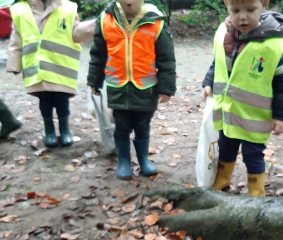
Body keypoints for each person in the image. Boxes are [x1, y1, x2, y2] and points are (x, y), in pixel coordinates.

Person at [201, 0, 283, 196]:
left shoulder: (275, 44)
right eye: (235, 11)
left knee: (253, 155)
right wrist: (208, 83)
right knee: (226, 150)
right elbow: (218, 63)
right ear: (227, 7)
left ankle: (256, 193)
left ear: (263, 5)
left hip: (256, 118)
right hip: (229, 112)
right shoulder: (224, 34)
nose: (242, 16)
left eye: (250, 10)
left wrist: (281, 116)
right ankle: (222, 183)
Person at [87, 0, 176, 180]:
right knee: (121, 126)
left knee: (142, 125)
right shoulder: (106, 20)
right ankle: (124, 161)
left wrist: (166, 87)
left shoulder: (155, 22)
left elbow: (166, 58)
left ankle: (143, 159)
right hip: (117, 87)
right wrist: (94, 81)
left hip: (146, 88)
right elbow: (98, 54)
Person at [7, 0, 95, 148]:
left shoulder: (67, 8)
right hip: (37, 69)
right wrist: (14, 63)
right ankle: (49, 130)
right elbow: (16, 39)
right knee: (45, 101)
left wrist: (96, 24)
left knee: (62, 101)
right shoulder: (20, 10)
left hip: (60, 67)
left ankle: (64, 130)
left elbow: (76, 32)